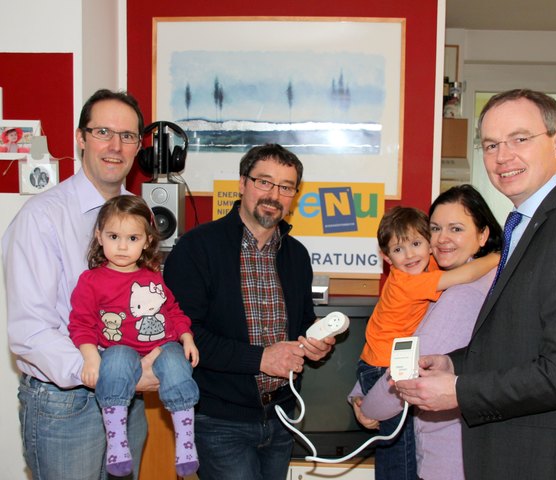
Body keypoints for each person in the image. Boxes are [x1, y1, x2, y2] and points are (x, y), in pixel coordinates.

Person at [394, 89, 556, 479]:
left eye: (520, 139)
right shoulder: (525, 223)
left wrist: (459, 391)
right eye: (490, 145)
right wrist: (455, 362)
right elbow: (518, 337)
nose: (502, 156)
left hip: (548, 460)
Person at [2, 89, 159, 480]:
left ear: (138, 146)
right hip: (68, 403)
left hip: (129, 401)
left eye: (127, 136)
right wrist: (112, 375)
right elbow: (31, 332)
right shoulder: (41, 218)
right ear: (80, 138)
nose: (115, 146)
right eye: (103, 131)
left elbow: (144, 302)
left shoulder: (141, 217)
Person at [163, 143, 336, 480]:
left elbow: (301, 324)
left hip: (282, 418)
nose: (274, 195)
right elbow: (184, 335)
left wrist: (316, 341)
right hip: (219, 422)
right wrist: (260, 359)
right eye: (264, 182)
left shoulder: (297, 255)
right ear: (242, 183)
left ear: (294, 196)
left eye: (286, 187)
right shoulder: (197, 248)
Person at [350, 185, 502, 480]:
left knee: (396, 459)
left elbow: (408, 371)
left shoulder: (463, 291)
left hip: (442, 452)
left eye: (456, 228)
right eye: (436, 228)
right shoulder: (426, 272)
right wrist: (361, 392)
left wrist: (366, 403)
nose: (443, 238)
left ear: (482, 235)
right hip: (382, 370)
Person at [68, 195, 200, 478]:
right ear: (99, 236)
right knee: (113, 366)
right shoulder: (91, 281)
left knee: (178, 368)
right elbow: (81, 323)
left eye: (133, 238)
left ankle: (186, 443)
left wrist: (186, 337)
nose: (123, 246)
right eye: (114, 236)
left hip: (162, 344)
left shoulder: (153, 278)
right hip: (118, 347)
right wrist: (91, 358)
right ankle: (117, 442)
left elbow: (173, 311)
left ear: (147, 242)